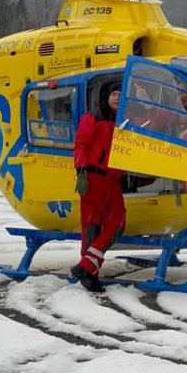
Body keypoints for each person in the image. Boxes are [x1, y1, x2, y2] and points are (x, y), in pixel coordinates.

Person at [71, 82, 125, 292]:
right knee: (92, 226)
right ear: (105, 95)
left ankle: (85, 266)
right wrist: (81, 171)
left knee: (118, 223)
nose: (118, 97)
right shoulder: (92, 117)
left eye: (121, 93)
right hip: (93, 177)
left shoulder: (123, 121)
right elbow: (81, 144)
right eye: (114, 93)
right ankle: (91, 276)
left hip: (113, 181)